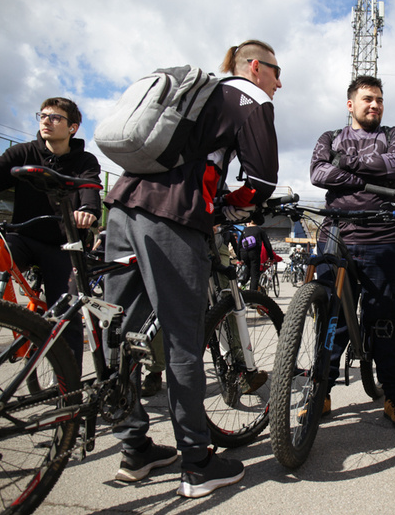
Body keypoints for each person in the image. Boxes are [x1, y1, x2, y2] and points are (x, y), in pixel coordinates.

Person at [103, 39, 281, 497]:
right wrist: (227, 208)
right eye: (277, 72)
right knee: (183, 338)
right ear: (256, 67)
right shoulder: (250, 97)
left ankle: (134, 447)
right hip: (174, 216)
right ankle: (197, 464)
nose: (280, 83)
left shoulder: (195, 93)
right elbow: (260, 180)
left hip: (122, 206)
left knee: (117, 328)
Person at [0, 97, 100, 365]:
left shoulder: (84, 159)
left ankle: (69, 388)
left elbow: (89, 186)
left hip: (62, 244)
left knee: (66, 310)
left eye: (55, 117)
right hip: (23, 236)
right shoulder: (23, 152)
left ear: (72, 127)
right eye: (43, 115)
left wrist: (89, 210)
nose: (46, 121)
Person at [309, 75, 395, 429]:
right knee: (330, 316)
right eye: (368, 99)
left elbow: (394, 167)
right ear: (350, 104)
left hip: (382, 236)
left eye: (379, 100)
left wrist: (344, 165)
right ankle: (320, 390)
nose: (375, 105)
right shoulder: (329, 137)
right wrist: (365, 179)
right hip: (336, 233)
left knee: (384, 317)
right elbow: (317, 172)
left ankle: (393, 394)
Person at [238, 219, 275, 292]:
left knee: (248, 269)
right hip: (254, 254)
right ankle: (252, 294)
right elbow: (267, 244)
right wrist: (271, 257)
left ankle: (240, 284)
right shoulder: (260, 230)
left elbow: (239, 245)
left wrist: (239, 258)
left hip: (244, 254)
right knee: (254, 275)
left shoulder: (245, 230)